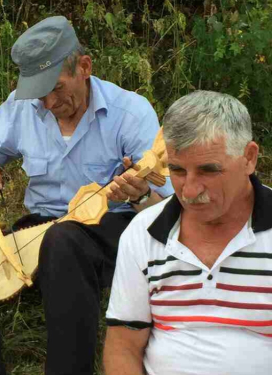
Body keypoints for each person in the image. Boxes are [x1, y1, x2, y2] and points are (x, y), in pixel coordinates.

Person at [0, 16, 173, 375]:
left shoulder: (130, 113)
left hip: (108, 232)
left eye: (57, 88)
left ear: (84, 67)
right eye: (40, 92)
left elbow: (165, 209)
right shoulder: (24, 105)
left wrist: (139, 195)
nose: (49, 101)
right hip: (38, 231)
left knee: (63, 240)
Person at [103, 90, 272, 375]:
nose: (190, 191)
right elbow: (123, 345)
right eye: (177, 171)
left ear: (249, 158)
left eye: (209, 170)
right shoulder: (144, 232)